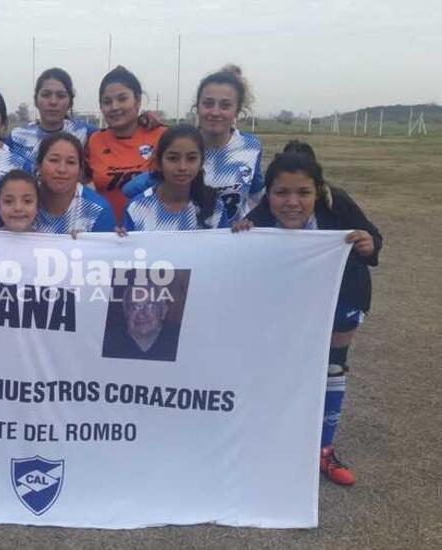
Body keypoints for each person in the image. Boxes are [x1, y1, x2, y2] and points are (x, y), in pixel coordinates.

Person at [232, 142, 382, 486]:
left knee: (331, 365)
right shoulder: (261, 218)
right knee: (285, 367)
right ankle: (280, 443)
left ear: (318, 190)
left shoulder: (336, 203)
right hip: (293, 304)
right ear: (268, 193)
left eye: (303, 192)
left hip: (343, 296)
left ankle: (324, 449)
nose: (292, 202)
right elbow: (242, 258)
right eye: (281, 192)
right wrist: (240, 235)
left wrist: (368, 244)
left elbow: (372, 235)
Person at [123, 65, 263, 223]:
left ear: (237, 110)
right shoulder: (182, 148)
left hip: (233, 243)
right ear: (197, 107)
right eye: (208, 104)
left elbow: (260, 195)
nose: (215, 112)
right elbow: (130, 190)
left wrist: (251, 222)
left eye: (225, 106)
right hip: (190, 239)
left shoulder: (252, 146)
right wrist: (155, 177)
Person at [86, 66, 167, 222]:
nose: (114, 107)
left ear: (137, 101)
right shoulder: (93, 141)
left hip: (152, 232)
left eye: (122, 99)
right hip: (108, 234)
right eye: (107, 102)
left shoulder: (162, 136)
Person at [123, 125, 226, 231]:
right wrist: (119, 240)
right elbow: (129, 246)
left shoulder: (215, 205)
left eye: (191, 158)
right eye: (173, 158)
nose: (182, 167)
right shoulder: (137, 207)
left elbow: (226, 245)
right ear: (158, 162)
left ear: (201, 162)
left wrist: (241, 233)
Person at [32, 132, 115, 235]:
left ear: (80, 170)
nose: (62, 169)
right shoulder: (20, 201)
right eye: (54, 160)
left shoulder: (98, 210)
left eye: (71, 162)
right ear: (39, 166)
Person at [8, 68, 98, 162]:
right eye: (46, 95)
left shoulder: (86, 134)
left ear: (70, 102)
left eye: (61, 96)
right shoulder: (16, 138)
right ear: (36, 100)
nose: (53, 102)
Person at [101, 270, 180, 361]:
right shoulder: (108, 342)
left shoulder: (180, 341)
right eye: (135, 307)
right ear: (125, 312)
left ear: (163, 311)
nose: (142, 314)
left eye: (150, 306)